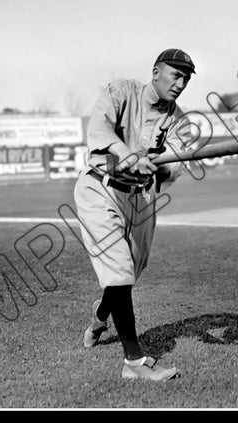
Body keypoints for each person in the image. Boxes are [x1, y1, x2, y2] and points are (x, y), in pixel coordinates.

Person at [73, 48, 196, 381]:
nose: (180, 83)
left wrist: (160, 170)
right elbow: (99, 132)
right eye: (175, 74)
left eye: (185, 78)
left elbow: (177, 167)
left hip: (140, 198)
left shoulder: (180, 120)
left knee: (130, 272)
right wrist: (128, 156)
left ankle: (100, 317)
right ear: (156, 72)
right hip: (101, 188)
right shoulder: (121, 92)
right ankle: (134, 363)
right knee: (119, 267)